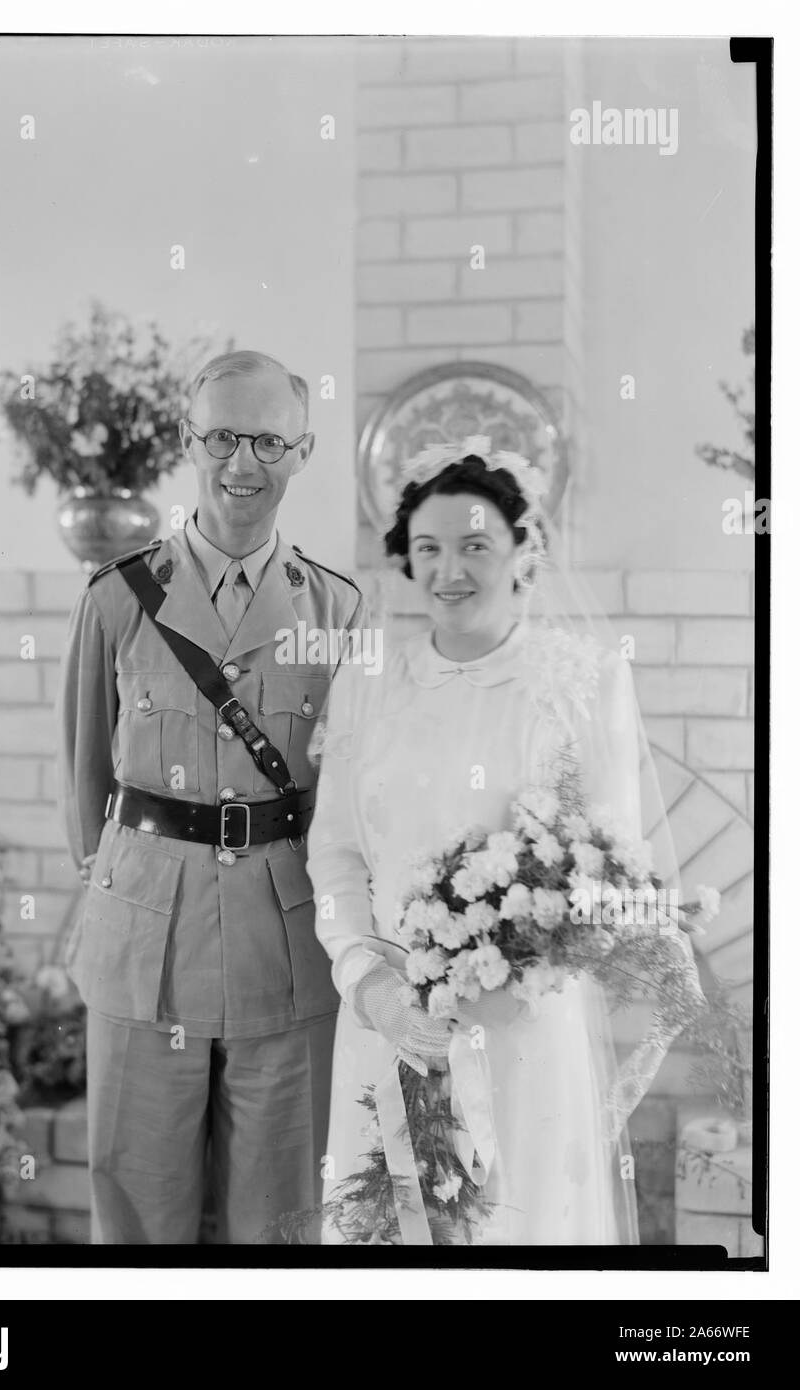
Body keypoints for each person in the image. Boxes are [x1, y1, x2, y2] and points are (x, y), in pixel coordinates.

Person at [306, 438, 702, 1244]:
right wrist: (367, 980)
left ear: (524, 551)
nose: (448, 570)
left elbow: (609, 871)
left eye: (474, 545)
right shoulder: (365, 681)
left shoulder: (583, 680)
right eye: (427, 548)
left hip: (520, 1029)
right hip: (386, 1023)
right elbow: (335, 853)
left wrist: (501, 980)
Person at [57, 349, 366, 1243]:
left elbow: (352, 792)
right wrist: (122, 891)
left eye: (268, 441)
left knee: (284, 1219)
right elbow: (85, 774)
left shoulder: (336, 611)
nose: (243, 464)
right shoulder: (118, 598)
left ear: (303, 452)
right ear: (188, 440)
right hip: (145, 944)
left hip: (286, 948)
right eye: (223, 437)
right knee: (139, 1215)